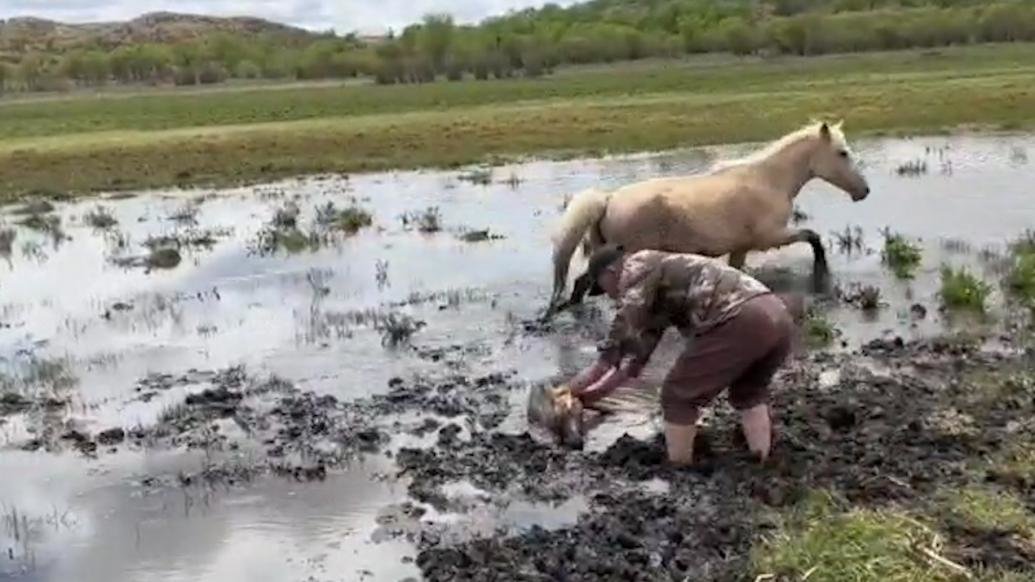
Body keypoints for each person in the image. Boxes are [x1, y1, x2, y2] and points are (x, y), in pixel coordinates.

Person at [566, 244, 795, 466]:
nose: (608, 296)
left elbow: (611, 351)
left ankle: (680, 466)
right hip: (777, 314)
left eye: (602, 287)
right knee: (748, 392)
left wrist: (567, 393)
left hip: (740, 317)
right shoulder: (660, 278)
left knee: (677, 396)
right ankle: (761, 461)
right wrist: (589, 397)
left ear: (610, 272)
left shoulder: (635, 269)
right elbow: (632, 363)